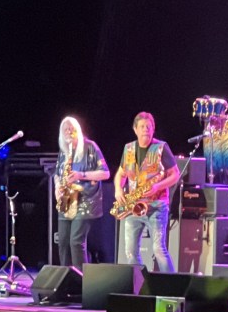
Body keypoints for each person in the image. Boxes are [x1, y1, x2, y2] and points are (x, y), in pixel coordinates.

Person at [114, 112, 180, 272]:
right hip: (133, 207)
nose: (146, 130)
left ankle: (171, 285)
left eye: (149, 127)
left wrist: (157, 187)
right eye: (142, 126)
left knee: (159, 250)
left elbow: (175, 175)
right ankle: (141, 283)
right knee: (131, 252)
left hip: (156, 206)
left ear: (153, 129)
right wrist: (118, 189)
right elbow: (121, 174)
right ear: (135, 129)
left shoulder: (161, 148)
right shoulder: (128, 149)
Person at [55, 116, 110, 270]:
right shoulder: (64, 151)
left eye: (71, 129)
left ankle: (80, 279)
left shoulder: (90, 147)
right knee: (63, 242)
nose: (68, 132)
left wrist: (81, 175)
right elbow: (57, 174)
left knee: (76, 241)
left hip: (86, 201)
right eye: (65, 129)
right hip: (67, 201)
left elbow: (105, 173)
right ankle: (66, 279)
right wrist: (57, 187)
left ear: (77, 130)